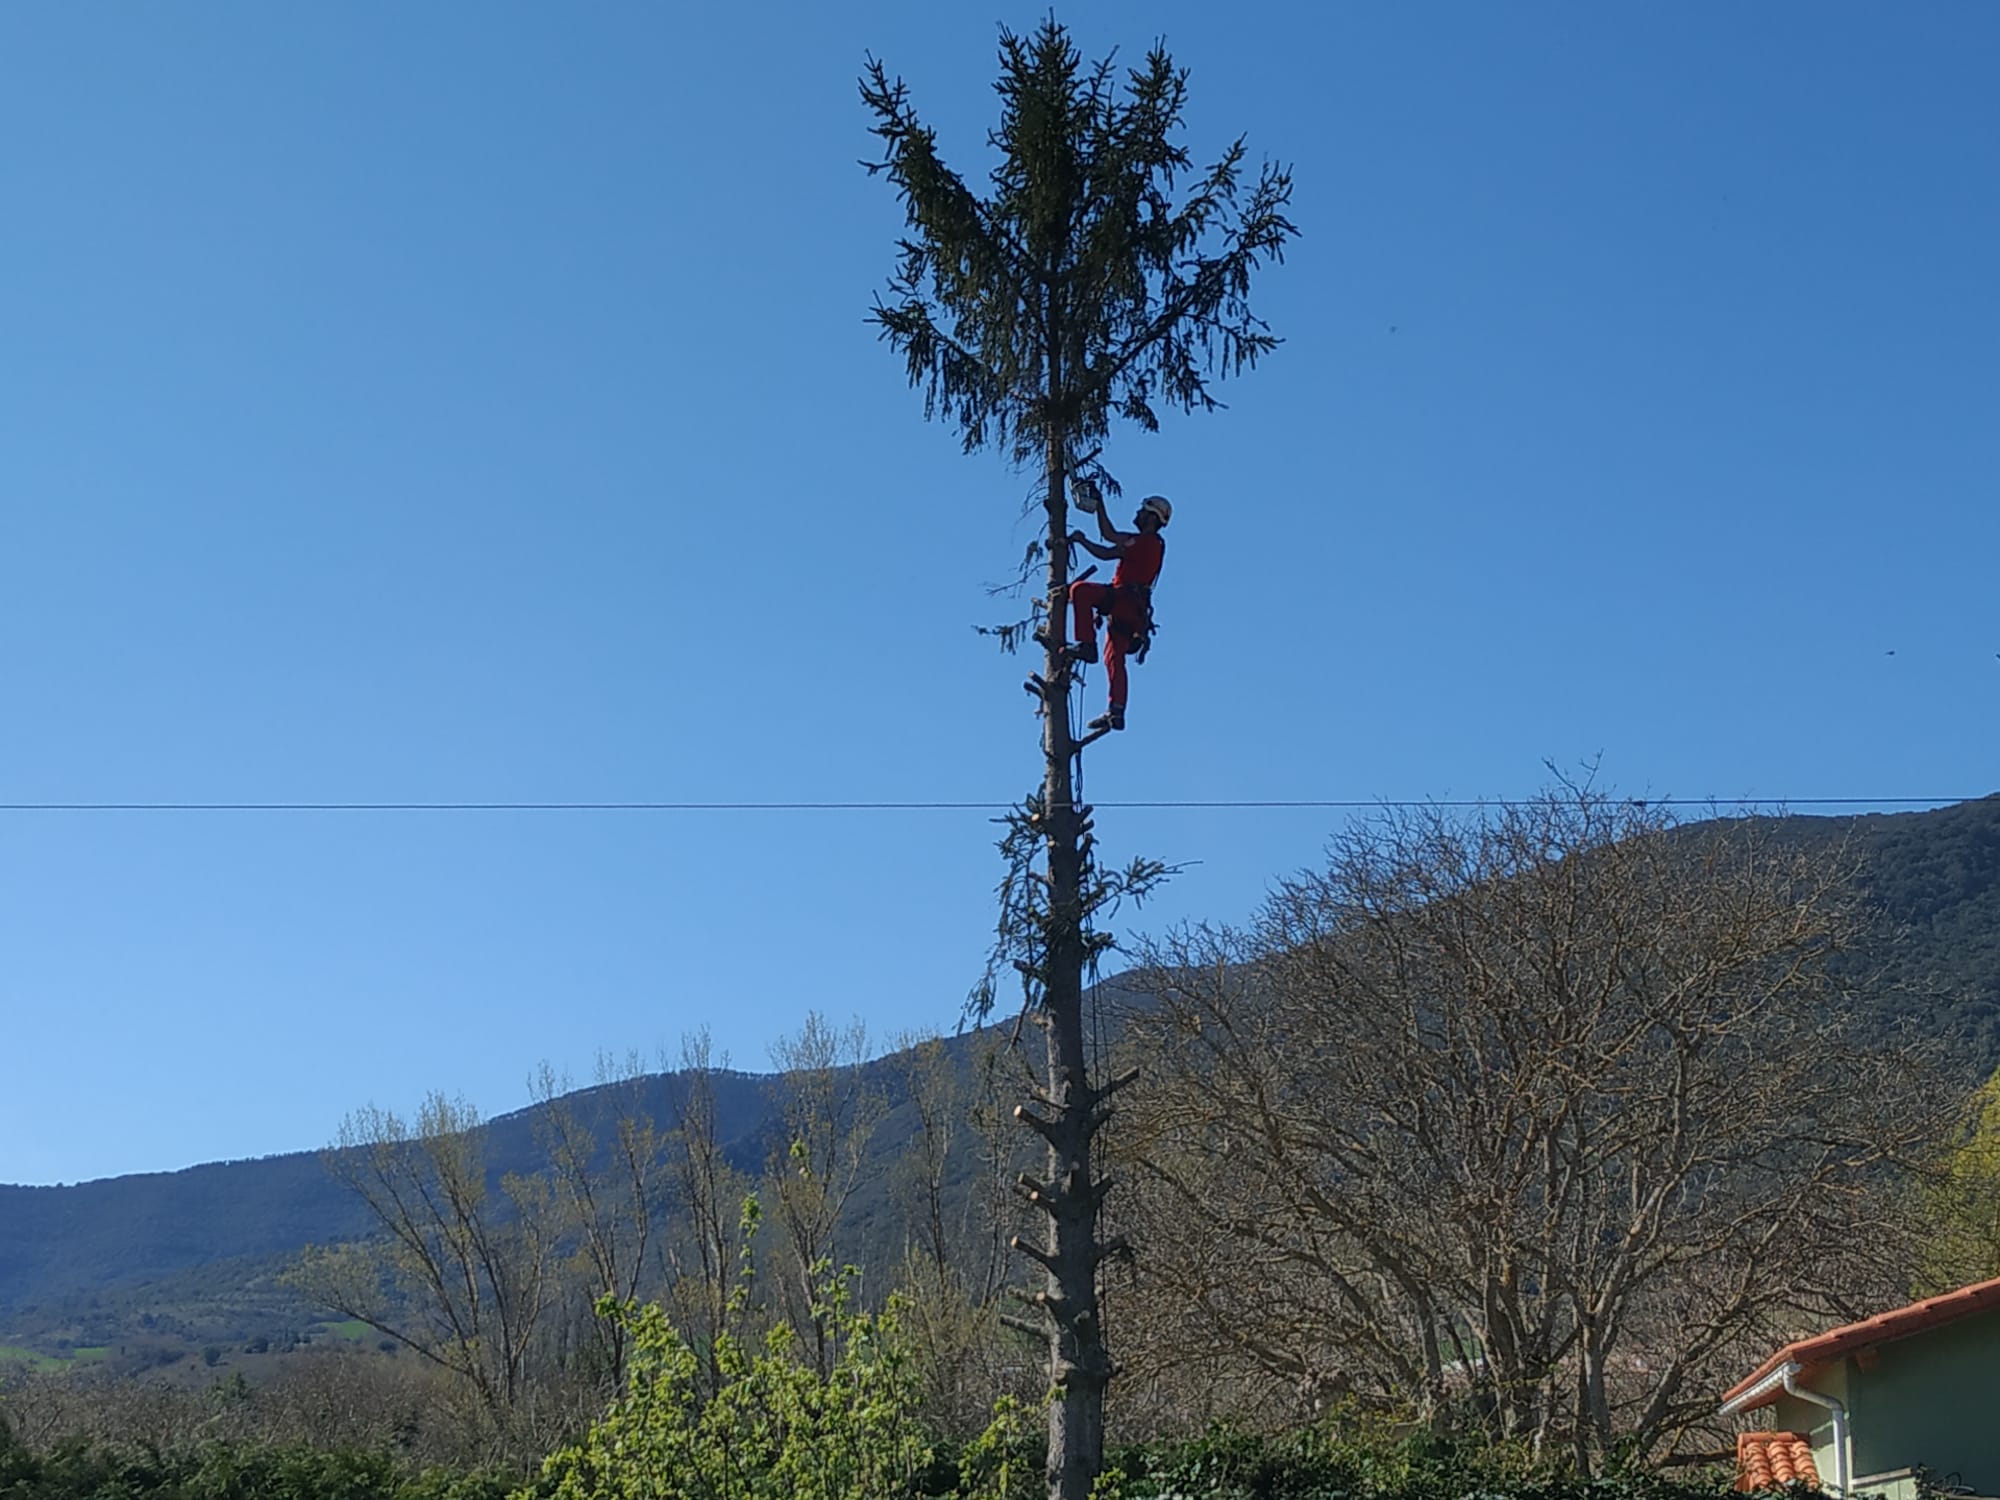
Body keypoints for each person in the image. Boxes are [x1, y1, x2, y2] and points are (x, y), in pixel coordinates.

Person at [1064, 490, 1171, 733]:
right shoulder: (1149, 543)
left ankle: (1086, 645)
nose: (1138, 514)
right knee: (1114, 658)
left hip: (1123, 600)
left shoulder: (1145, 543)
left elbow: (1107, 547)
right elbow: (1108, 537)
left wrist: (1083, 539)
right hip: (1132, 610)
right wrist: (1098, 507)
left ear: (1152, 518)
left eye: (1143, 511)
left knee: (1080, 591)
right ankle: (1116, 711)